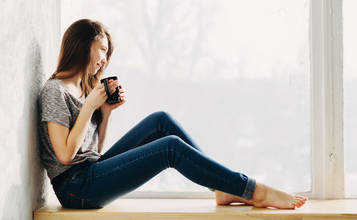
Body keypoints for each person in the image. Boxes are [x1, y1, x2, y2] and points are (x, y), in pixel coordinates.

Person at [38, 19, 307, 209]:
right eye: (103, 50)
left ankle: (222, 189)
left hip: (90, 173)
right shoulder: (55, 91)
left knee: (160, 121)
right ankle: (252, 189)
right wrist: (89, 108)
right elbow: (65, 156)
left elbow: (92, 151)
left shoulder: (83, 90)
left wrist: (105, 113)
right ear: (84, 44)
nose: (104, 60)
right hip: (75, 188)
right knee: (170, 149)